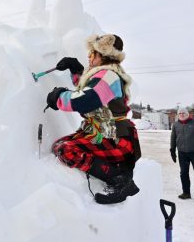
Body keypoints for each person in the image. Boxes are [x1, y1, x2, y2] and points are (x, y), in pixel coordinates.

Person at [45, 34, 141, 205]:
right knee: (60, 145)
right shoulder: (105, 74)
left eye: (92, 54)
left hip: (114, 136)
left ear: (102, 55)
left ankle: (119, 178)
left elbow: (85, 100)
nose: (89, 57)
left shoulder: (109, 76)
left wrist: (59, 96)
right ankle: (116, 168)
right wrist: (75, 69)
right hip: (103, 131)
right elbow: (90, 87)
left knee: (65, 150)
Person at [170, 107, 194, 204]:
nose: (182, 114)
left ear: (187, 114)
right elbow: (173, 138)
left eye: (184, 113)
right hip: (182, 153)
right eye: (180, 113)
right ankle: (186, 193)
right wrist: (172, 150)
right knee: (183, 174)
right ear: (178, 115)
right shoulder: (176, 125)